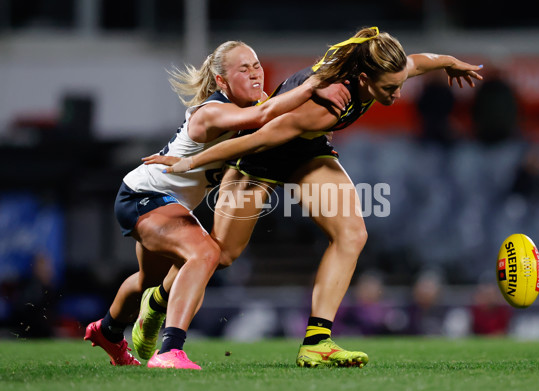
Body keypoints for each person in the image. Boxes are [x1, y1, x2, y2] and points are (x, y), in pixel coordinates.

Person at [143, 26, 483, 368]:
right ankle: (157, 302)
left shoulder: (384, 70)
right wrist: (191, 160)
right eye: (390, 88)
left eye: (400, 85)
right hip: (262, 155)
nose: (396, 94)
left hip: (307, 151)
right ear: (364, 79)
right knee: (223, 253)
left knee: (352, 233)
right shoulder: (327, 103)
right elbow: (257, 139)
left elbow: (419, 63)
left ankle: (318, 342)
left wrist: (449, 62)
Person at [83, 40, 350, 369]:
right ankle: (170, 350)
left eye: (256, 66)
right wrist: (313, 85)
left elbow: (283, 123)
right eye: (244, 69)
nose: (255, 74)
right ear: (222, 81)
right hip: (143, 195)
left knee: (148, 283)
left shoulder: (255, 104)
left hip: (164, 201)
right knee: (206, 252)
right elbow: (265, 116)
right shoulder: (213, 111)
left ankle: (107, 331)